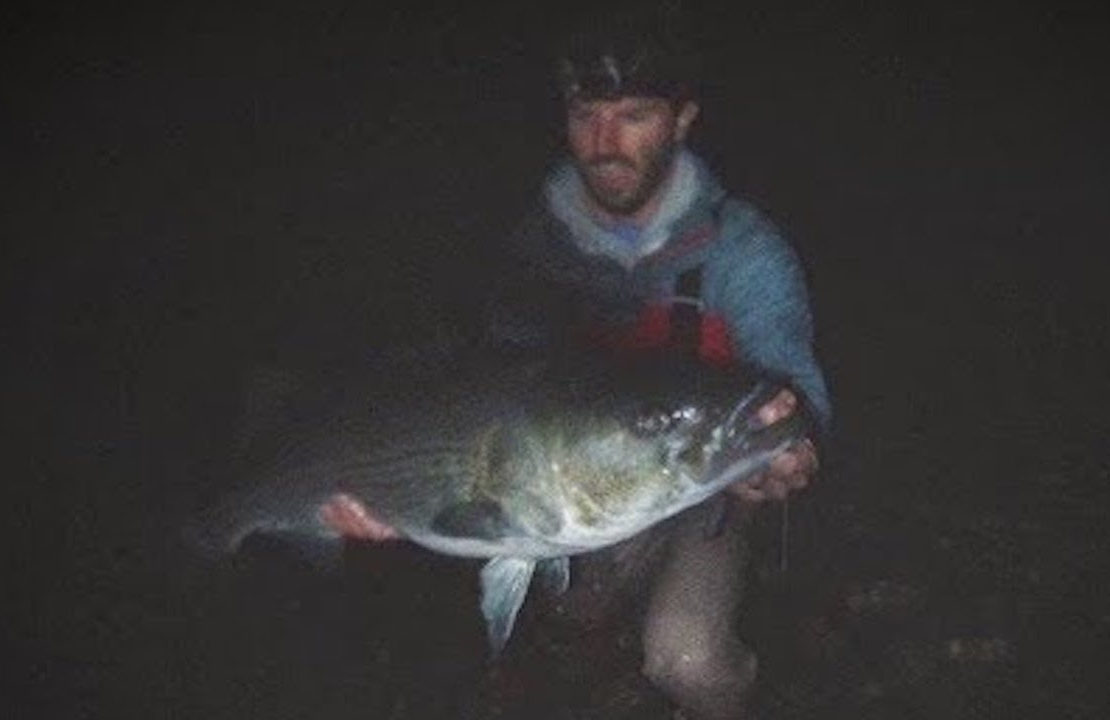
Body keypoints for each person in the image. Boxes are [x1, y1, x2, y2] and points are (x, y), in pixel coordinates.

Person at [320, 9, 829, 720]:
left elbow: (793, 389)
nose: (606, 142)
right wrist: (383, 496)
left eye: (636, 116)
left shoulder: (745, 250)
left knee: (687, 658)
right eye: (588, 114)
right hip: (582, 483)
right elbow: (488, 392)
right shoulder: (535, 247)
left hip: (706, 488)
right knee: (570, 611)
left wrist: (792, 445)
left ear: (682, 120)